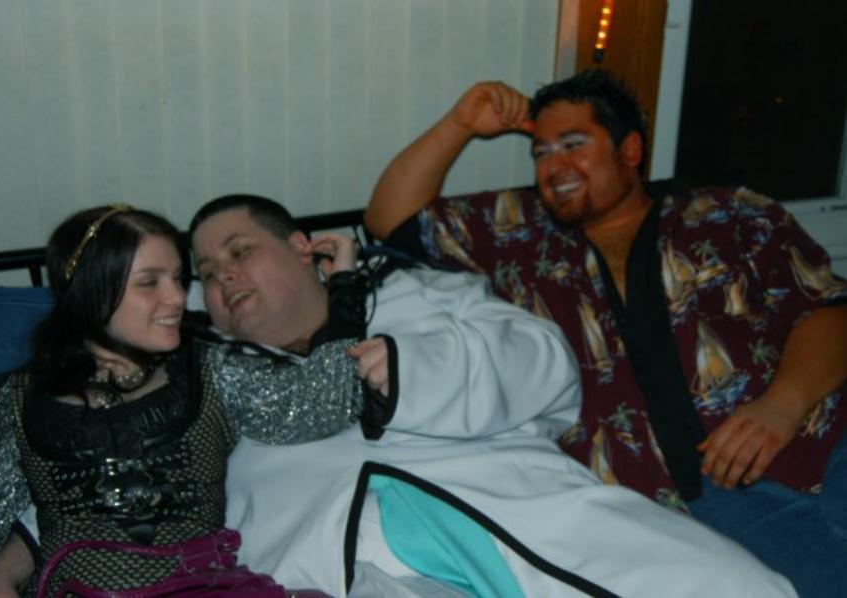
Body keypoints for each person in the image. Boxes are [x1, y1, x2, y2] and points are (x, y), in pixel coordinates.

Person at [364, 69, 847, 596]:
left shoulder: (730, 214)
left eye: (574, 144)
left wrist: (781, 406)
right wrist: (460, 124)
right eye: (541, 153)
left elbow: (827, 308)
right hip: (700, 513)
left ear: (630, 150)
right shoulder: (517, 237)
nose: (553, 166)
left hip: (822, 442)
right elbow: (387, 219)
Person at [188, 194, 797, 597]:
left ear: (305, 249)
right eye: (208, 273)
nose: (225, 276)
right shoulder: (207, 383)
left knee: (730, 585)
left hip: (518, 510)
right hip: (345, 565)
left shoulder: (415, 296)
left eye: (240, 252)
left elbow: (548, 368)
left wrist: (415, 371)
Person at [0, 204, 365, 596]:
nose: (177, 297)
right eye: (150, 282)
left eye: (178, 278)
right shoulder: (20, 400)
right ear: (92, 292)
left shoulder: (209, 370)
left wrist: (344, 284)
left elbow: (327, 402)